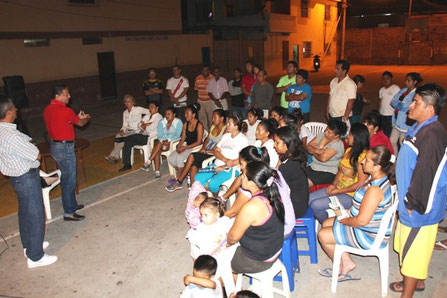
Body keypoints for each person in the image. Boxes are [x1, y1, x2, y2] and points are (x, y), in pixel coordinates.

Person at [389, 83, 447, 297]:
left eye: (416, 102)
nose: (410, 105)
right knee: (410, 249)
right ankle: (417, 282)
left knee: (413, 252)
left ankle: (409, 292)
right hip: (410, 200)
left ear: (430, 109)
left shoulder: (431, 136)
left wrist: (413, 204)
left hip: (418, 207)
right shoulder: (421, 126)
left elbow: (427, 175)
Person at [317, 145, 395, 281]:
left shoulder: (375, 190)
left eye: (367, 160)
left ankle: (341, 267)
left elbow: (361, 221)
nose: (362, 161)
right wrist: (347, 213)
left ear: (377, 166)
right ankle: (347, 262)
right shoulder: (376, 178)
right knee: (326, 223)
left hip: (369, 234)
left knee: (323, 235)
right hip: (367, 224)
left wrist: (344, 220)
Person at [0, 97, 57, 268]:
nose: (17, 110)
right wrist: (33, 147)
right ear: (9, 112)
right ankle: (35, 257)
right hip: (26, 177)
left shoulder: (3, 131)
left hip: (16, 178)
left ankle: (30, 246)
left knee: (25, 213)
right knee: (36, 215)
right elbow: (36, 154)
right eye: (15, 109)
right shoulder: (11, 136)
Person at [227, 161, 284, 274]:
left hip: (258, 259)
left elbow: (232, 237)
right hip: (274, 249)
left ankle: (230, 289)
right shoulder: (272, 193)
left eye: (243, 175)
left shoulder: (252, 207)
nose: (241, 177)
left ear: (252, 183)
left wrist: (226, 242)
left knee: (216, 259)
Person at [43, 83, 90, 221]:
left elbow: (61, 123)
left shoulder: (47, 109)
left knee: (66, 177)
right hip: (65, 147)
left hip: (55, 146)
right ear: (57, 96)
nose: (69, 96)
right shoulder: (65, 110)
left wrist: (75, 118)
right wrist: (85, 118)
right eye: (66, 94)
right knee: (69, 179)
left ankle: (72, 205)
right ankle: (69, 212)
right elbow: (80, 123)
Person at [309, 123, 370, 223]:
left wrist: (337, 191)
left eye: (350, 134)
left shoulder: (363, 157)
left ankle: (330, 224)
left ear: (357, 137)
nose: (348, 136)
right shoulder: (349, 151)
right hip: (339, 188)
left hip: (351, 195)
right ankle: (329, 222)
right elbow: (340, 172)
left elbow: (360, 184)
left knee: (315, 205)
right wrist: (333, 185)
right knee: (309, 199)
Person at [166, 109, 227, 192]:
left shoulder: (225, 130)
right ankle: (193, 187)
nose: (212, 120)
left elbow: (222, 149)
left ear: (222, 118)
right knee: (193, 164)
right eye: (212, 117)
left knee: (192, 156)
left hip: (214, 154)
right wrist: (203, 148)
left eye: (215, 118)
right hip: (206, 152)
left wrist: (207, 150)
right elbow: (207, 139)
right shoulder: (213, 127)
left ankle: (179, 181)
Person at [194, 116, 249, 194]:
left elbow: (243, 158)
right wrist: (225, 160)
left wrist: (225, 166)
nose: (227, 125)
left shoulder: (243, 140)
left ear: (236, 126)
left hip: (232, 168)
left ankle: (217, 200)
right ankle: (215, 192)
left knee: (213, 183)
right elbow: (216, 151)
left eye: (229, 124)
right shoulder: (226, 136)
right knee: (198, 177)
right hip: (217, 164)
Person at [274, 126, 309, 218]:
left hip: (294, 209)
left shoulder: (289, 166)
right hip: (300, 204)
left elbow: (273, 186)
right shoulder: (295, 156)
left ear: (286, 144)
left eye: (277, 142)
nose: (274, 145)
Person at [118, 101, 162, 171]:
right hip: (142, 135)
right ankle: (127, 164)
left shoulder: (159, 117)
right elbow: (139, 125)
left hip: (149, 138)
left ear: (157, 108)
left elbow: (151, 128)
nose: (150, 109)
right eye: (149, 107)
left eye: (152, 107)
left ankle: (123, 139)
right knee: (128, 142)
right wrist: (146, 124)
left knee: (131, 137)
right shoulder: (147, 116)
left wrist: (145, 125)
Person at [104, 94, 149, 163]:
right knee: (118, 136)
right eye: (126, 101)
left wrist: (144, 121)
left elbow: (150, 112)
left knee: (123, 140)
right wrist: (122, 130)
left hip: (136, 131)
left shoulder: (138, 109)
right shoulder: (125, 112)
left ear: (133, 102)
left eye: (129, 101)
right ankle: (116, 157)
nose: (127, 103)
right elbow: (124, 124)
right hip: (128, 130)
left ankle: (112, 156)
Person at [140, 107, 183, 179]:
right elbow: (159, 134)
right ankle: (156, 171)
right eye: (166, 114)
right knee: (158, 148)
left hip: (172, 143)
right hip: (162, 142)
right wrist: (163, 140)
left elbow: (178, 135)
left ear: (174, 114)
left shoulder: (178, 122)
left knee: (157, 146)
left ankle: (149, 162)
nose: (167, 115)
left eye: (169, 114)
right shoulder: (162, 122)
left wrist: (168, 140)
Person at [166, 103, 204, 179]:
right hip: (186, 146)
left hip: (195, 147)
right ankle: (185, 172)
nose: (185, 115)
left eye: (187, 113)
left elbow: (199, 142)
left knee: (179, 158)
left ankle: (179, 178)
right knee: (171, 158)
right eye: (185, 113)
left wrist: (185, 147)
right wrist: (179, 147)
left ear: (193, 115)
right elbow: (183, 138)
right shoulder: (186, 124)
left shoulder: (199, 125)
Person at [305, 120, 346, 186]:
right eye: (326, 129)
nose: (325, 132)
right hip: (313, 166)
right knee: (296, 175)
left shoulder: (337, 144)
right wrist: (318, 151)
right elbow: (308, 147)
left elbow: (323, 159)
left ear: (336, 136)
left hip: (328, 172)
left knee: (305, 184)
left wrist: (313, 150)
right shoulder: (322, 135)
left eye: (329, 132)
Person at [390, 72, 422, 155]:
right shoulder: (403, 90)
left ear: (415, 82)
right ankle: (396, 158)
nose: (406, 82)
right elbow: (393, 101)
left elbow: (403, 106)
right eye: (406, 80)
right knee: (392, 141)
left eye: (409, 80)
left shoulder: (415, 94)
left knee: (402, 143)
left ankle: (402, 160)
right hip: (396, 121)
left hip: (405, 123)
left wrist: (399, 103)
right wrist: (399, 104)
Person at [378, 71, 400, 137]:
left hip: (391, 115)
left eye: (387, 78)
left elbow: (399, 101)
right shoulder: (381, 90)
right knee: (383, 132)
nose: (385, 80)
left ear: (391, 79)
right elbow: (380, 101)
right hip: (382, 114)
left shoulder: (396, 88)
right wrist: (378, 112)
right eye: (384, 78)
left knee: (390, 133)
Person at [195, 66, 215, 131]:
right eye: (203, 70)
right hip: (200, 101)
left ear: (209, 71)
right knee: (202, 118)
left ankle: (212, 132)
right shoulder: (198, 78)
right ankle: (205, 133)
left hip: (210, 101)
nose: (204, 72)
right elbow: (196, 89)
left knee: (211, 118)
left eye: (206, 70)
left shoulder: (213, 78)